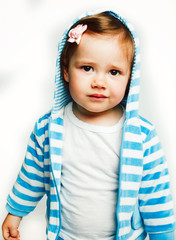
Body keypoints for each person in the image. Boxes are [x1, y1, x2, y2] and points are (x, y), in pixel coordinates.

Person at [2, 9, 175, 240]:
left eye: (114, 72)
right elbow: (33, 174)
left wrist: (163, 235)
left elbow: (155, 193)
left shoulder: (141, 136)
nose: (99, 82)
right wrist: (15, 213)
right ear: (65, 70)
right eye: (87, 68)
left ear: (129, 79)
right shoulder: (49, 128)